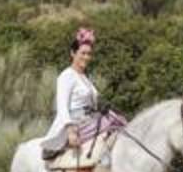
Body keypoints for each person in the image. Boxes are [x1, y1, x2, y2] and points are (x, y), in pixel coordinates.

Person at [40, 28, 125, 160]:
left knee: (118, 121)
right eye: (83, 53)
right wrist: (70, 131)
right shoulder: (66, 75)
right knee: (113, 125)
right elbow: (62, 107)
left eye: (89, 54)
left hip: (90, 121)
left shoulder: (85, 78)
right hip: (77, 125)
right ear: (73, 53)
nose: (86, 57)